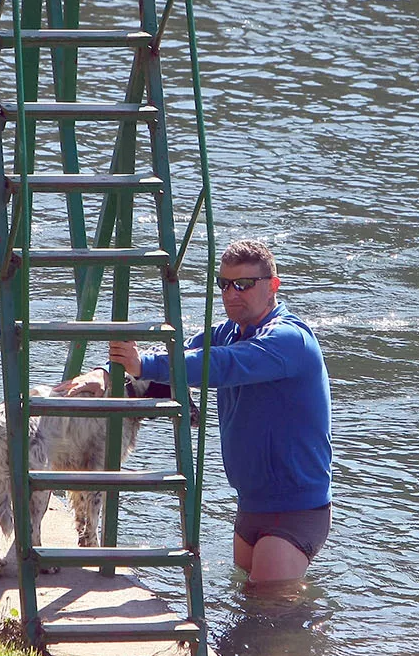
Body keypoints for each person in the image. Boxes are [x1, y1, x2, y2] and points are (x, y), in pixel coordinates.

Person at [57, 239, 332, 585]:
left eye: (245, 284)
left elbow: (218, 365)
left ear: (273, 286)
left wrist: (145, 364)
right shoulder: (230, 332)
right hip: (251, 503)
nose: (233, 293)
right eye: (225, 284)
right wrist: (108, 372)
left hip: (296, 507)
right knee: (249, 602)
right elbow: (177, 351)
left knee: (272, 610)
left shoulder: (289, 340)